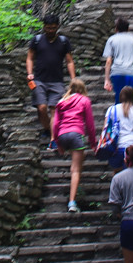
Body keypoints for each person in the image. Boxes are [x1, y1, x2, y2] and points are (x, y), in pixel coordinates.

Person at [26, 14, 76, 139]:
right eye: (48, 28)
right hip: (39, 80)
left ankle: (53, 136)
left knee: (55, 109)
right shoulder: (37, 40)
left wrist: (73, 78)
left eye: (53, 28)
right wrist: (29, 73)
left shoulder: (63, 42)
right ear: (44, 27)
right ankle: (48, 129)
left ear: (57, 27)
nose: (50, 30)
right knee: (42, 107)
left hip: (57, 81)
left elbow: (69, 61)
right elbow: (30, 58)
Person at [52, 79, 96, 213]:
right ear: (82, 90)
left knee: (75, 163)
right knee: (76, 170)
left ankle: (75, 188)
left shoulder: (61, 102)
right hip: (76, 134)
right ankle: (72, 202)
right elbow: (90, 124)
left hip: (62, 135)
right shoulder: (84, 100)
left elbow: (55, 124)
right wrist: (93, 143)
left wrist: (57, 143)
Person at [104, 85, 133, 174]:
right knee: (132, 173)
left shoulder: (111, 109)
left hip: (116, 147)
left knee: (117, 172)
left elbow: (106, 129)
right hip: (132, 147)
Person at [103, 17, 133, 102]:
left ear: (116, 29)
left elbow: (108, 61)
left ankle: (119, 114)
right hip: (132, 72)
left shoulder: (111, 39)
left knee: (119, 100)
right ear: (128, 28)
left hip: (117, 72)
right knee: (132, 101)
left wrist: (107, 79)